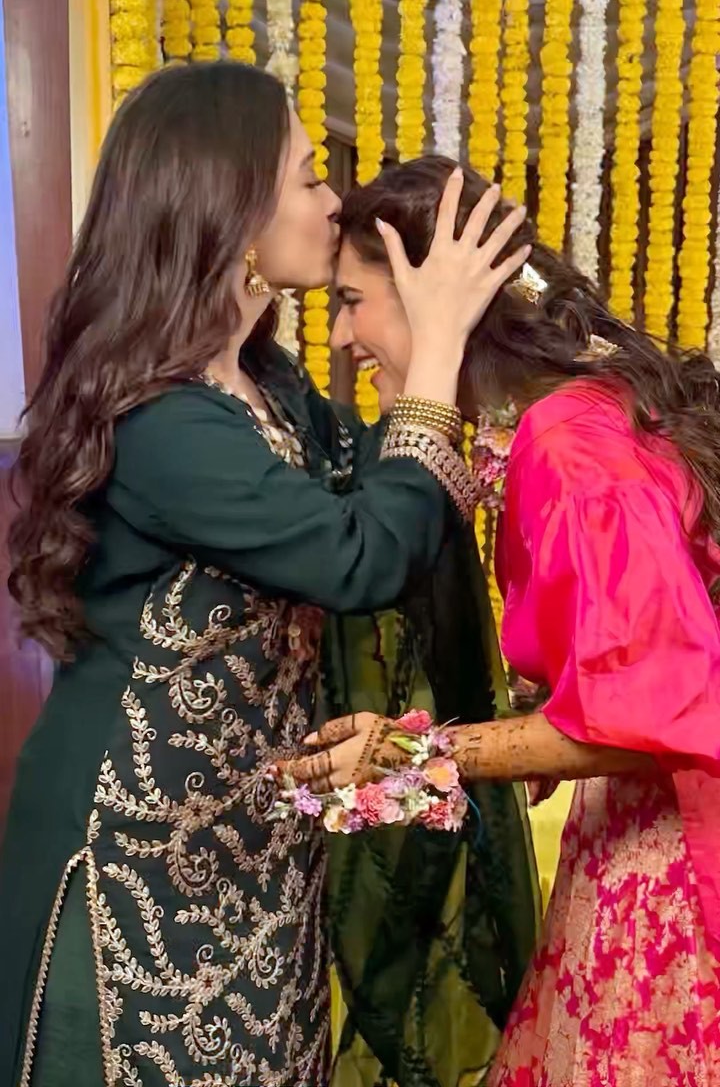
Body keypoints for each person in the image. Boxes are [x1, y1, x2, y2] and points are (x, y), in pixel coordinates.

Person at [0, 65, 532, 1087]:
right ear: (234, 205)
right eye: (307, 176)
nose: (332, 202)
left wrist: (431, 335)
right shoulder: (160, 418)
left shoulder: (269, 389)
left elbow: (394, 498)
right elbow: (358, 556)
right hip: (138, 867)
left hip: (259, 858)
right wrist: (437, 351)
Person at [282, 155, 720, 1086]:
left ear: (433, 297)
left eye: (352, 302)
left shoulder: (567, 443)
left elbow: (649, 715)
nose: (343, 337)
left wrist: (412, 754)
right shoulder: (583, 408)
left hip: (675, 857)